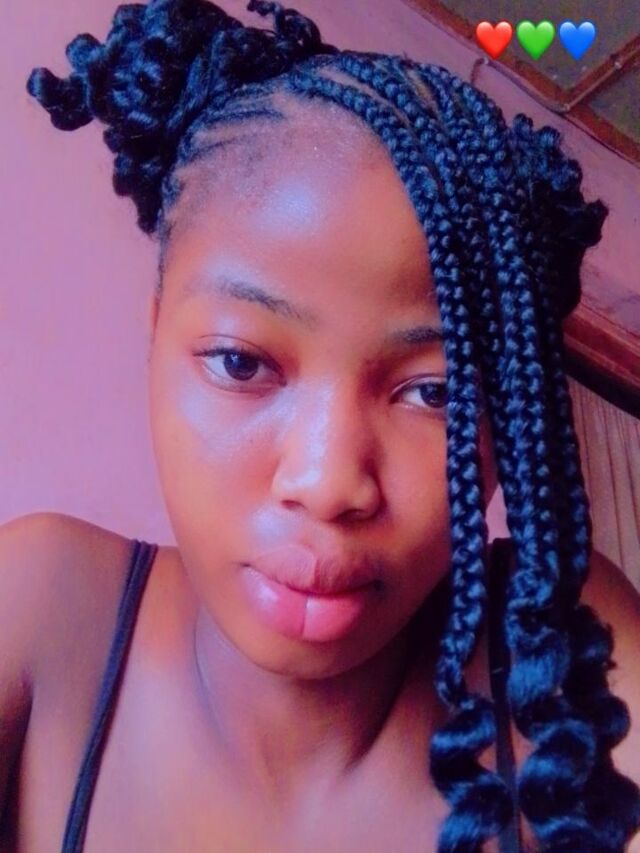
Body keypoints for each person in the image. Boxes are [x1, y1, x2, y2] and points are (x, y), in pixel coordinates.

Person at [1, 0, 639, 850]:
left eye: (437, 393)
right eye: (241, 363)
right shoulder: (42, 608)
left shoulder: (557, 643)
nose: (330, 481)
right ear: (156, 338)